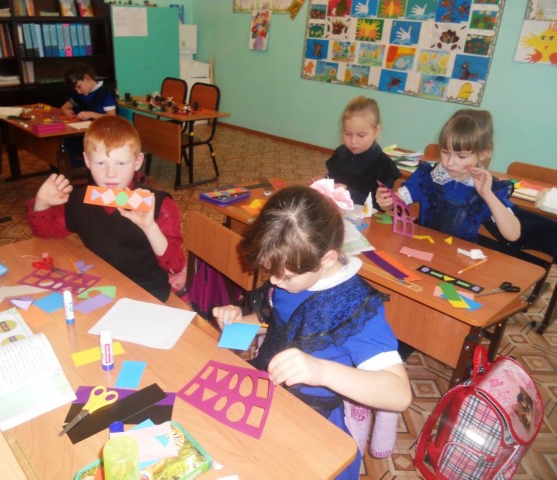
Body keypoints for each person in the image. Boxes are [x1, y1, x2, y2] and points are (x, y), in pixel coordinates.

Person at [212, 186, 411, 479]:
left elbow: (399, 394)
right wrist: (240, 322)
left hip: (317, 423)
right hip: (269, 400)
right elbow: (275, 320)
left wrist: (320, 371)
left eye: (285, 277)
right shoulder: (294, 272)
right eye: (271, 273)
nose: (275, 283)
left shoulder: (355, 307)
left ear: (326, 260)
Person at [27, 116, 185, 302]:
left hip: (146, 292)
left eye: (121, 163)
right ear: (87, 160)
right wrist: (42, 203)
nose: (110, 173)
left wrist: (150, 228)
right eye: (101, 163)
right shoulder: (79, 200)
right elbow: (46, 232)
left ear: (137, 161)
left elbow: (174, 267)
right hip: (101, 285)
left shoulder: (158, 205)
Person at [376, 110, 521, 244]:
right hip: (423, 245)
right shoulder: (428, 178)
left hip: (459, 254)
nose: (450, 162)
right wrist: (385, 201)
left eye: (461, 156)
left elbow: (513, 235)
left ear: (484, 153)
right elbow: (393, 205)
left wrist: (487, 194)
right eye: (445, 152)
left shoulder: (487, 189)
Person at [325, 95, 401, 209]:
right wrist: (324, 183)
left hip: (365, 216)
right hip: (335, 211)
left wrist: (347, 192)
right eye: (347, 133)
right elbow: (332, 177)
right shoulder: (340, 153)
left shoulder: (384, 166)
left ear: (376, 131)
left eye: (361, 135)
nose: (353, 141)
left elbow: (382, 207)